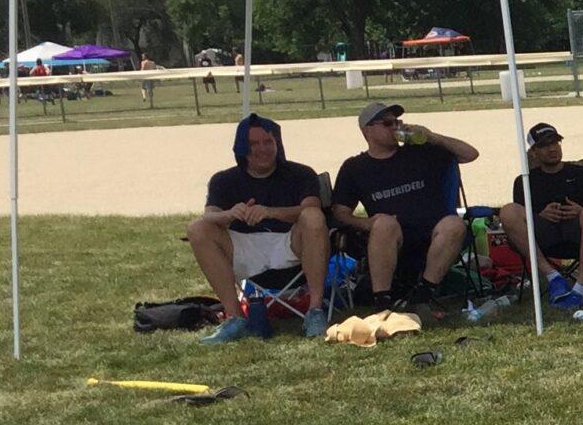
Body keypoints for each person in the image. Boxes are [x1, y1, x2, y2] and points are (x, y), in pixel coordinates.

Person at [190, 113, 331, 342]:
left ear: (277, 143)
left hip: (290, 243)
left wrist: (270, 212)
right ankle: (235, 318)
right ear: (241, 147)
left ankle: (315, 311)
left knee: (313, 216)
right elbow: (210, 215)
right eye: (254, 143)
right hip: (243, 245)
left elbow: (312, 207)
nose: (263, 149)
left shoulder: (301, 174)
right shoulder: (223, 180)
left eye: (268, 142)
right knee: (198, 228)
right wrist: (230, 213)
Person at [330, 100, 477, 307]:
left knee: (454, 223)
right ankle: (382, 301)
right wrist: (367, 223)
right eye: (388, 123)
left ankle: (423, 294)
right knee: (384, 224)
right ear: (367, 131)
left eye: (397, 122)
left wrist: (432, 137)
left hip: (432, 231)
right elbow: (340, 212)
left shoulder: (420, 152)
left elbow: (470, 154)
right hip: (390, 237)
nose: (395, 127)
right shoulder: (355, 167)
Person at [499, 121, 583, 310]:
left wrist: (581, 211)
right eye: (544, 145)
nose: (552, 149)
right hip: (544, 236)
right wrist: (539, 214)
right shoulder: (525, 181)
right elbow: (518, 219)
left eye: (555, 143)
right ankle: (553, 277)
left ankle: (580, 288)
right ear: (533, 152)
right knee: (508, 211)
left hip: (581, 233)